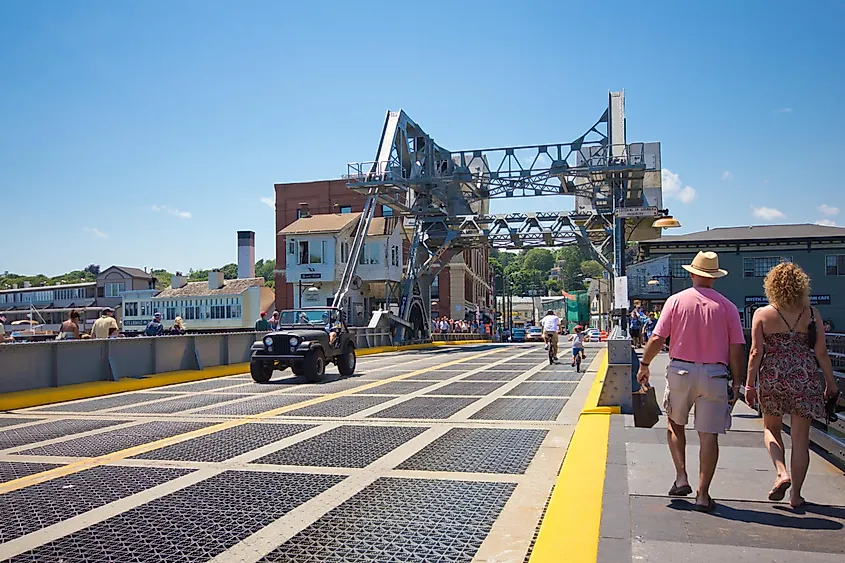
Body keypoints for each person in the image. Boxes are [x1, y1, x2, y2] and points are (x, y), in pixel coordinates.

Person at [636, 251, 745, 513]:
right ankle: (703, 494)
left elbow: (657, 338)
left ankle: (681, 477)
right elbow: (736, 349)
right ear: (715, 277)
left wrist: (645, 364)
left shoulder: (675, 301)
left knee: (675, 423)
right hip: (715, 375)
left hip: (681, 371)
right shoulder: (728, 307)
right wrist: (738, 383)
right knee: (709, 436)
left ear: (692, 273)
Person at [744, 262, 839, 508]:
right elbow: (821, 352)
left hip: (773, 375)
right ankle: (796, 496)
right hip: (804, 376)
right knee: (800, 438)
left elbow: (755, 352)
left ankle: (781, 472)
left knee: (771, 428)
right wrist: (830, 383)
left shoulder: (762, 314)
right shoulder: (811, 313)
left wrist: (749, 385)